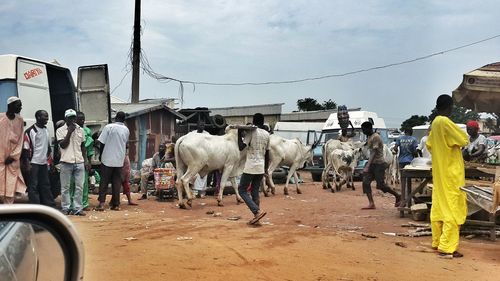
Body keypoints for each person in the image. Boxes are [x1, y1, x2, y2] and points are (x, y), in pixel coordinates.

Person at [426, 94, 469, 259]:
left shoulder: (435, 124)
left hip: (439, 173)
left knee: (439, 208)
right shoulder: (444, 122)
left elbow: (429, 145)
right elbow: (463, 139)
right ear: (450, 107)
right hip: (451, 174)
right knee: (453, 208)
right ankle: (447, 247)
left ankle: (437, 241)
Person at [237, 113, 270, 225]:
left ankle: (256, 211)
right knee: (255, 190)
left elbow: (241, 147)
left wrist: (238, 133)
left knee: (242, 190)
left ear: (254, 121)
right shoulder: (266, 134)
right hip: (261, 166)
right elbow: (267, 153)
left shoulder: (252, 132)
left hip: (251, 165)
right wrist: (266, 169)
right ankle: (257, 217)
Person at [361, 121, 401, 209]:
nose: (363, 131)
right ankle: (371, 203)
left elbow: (374, 152)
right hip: (372, 163)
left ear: (368, 129)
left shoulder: (376, 137)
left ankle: (397, 196)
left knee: (381, 185)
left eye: (363, 130)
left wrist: (367, 165)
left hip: (379, 164)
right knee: (365, 182)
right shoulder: (369, 137)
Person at [56, 109, 89, 215]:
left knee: (79, 187)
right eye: (70, 117)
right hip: (66, 162)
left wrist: (86, 160)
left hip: (79, 161)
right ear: (66, 118)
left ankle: (78, 208)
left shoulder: (81, 130)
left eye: (73, 117)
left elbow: (83, 146)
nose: (72, 119)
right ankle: (66, 208)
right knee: (65, 187)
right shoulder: (60, 130)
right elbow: (63, 145)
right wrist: (69, 132)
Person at [95, 111, 129, 211]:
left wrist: (101, 155)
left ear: (115, 118)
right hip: (119, 160)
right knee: (117, 182)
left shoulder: (109, 127)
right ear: (124, 119)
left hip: (107, 159)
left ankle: (101, 203)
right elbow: (125, 144)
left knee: (104, 181)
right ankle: (116, 205)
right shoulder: (126, 130)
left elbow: (102, 143)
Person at [22, 110, 55, 207]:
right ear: (38, 117)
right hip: (34, 163)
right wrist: (27, 163)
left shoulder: (46, 130)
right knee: (33, 185)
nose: (47, 118)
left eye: (47, 116)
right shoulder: (31, 131)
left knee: (45, 184)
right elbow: (26, 148)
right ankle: (35, 206)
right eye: (45, 116)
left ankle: (49, 205)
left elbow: (47, 147)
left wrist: (50, 161)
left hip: (43, 162)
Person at [0, 97, 26, 204]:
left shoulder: (20, 120)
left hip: (13, 160)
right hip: (0, 158)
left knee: (11, 186)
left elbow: (20, 140)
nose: (20, 107)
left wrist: (13, 156)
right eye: (18, 105)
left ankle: (9, 209)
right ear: (9, 106)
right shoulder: (0, 118)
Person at [69, 112, 94, 211]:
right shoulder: (72, 131)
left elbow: (90, 149)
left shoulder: (87, 131)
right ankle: (72, 204)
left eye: (83, 119)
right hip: (73, 158)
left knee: (84, 184)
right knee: (72, 184)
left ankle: (84, 203)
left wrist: (89, 161)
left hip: (84, 159)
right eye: (80, 119)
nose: (82, 121)